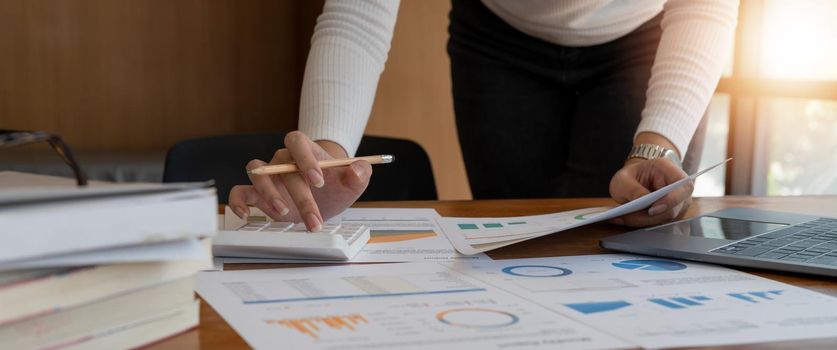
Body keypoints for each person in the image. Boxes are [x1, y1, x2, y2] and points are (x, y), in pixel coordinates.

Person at [229, 0, 738, 232]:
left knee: (635, 227)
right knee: (519, 241)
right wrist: (329, 151)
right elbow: (359, 13)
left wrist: (658, 143)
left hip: (650, 35)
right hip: (497, 36)